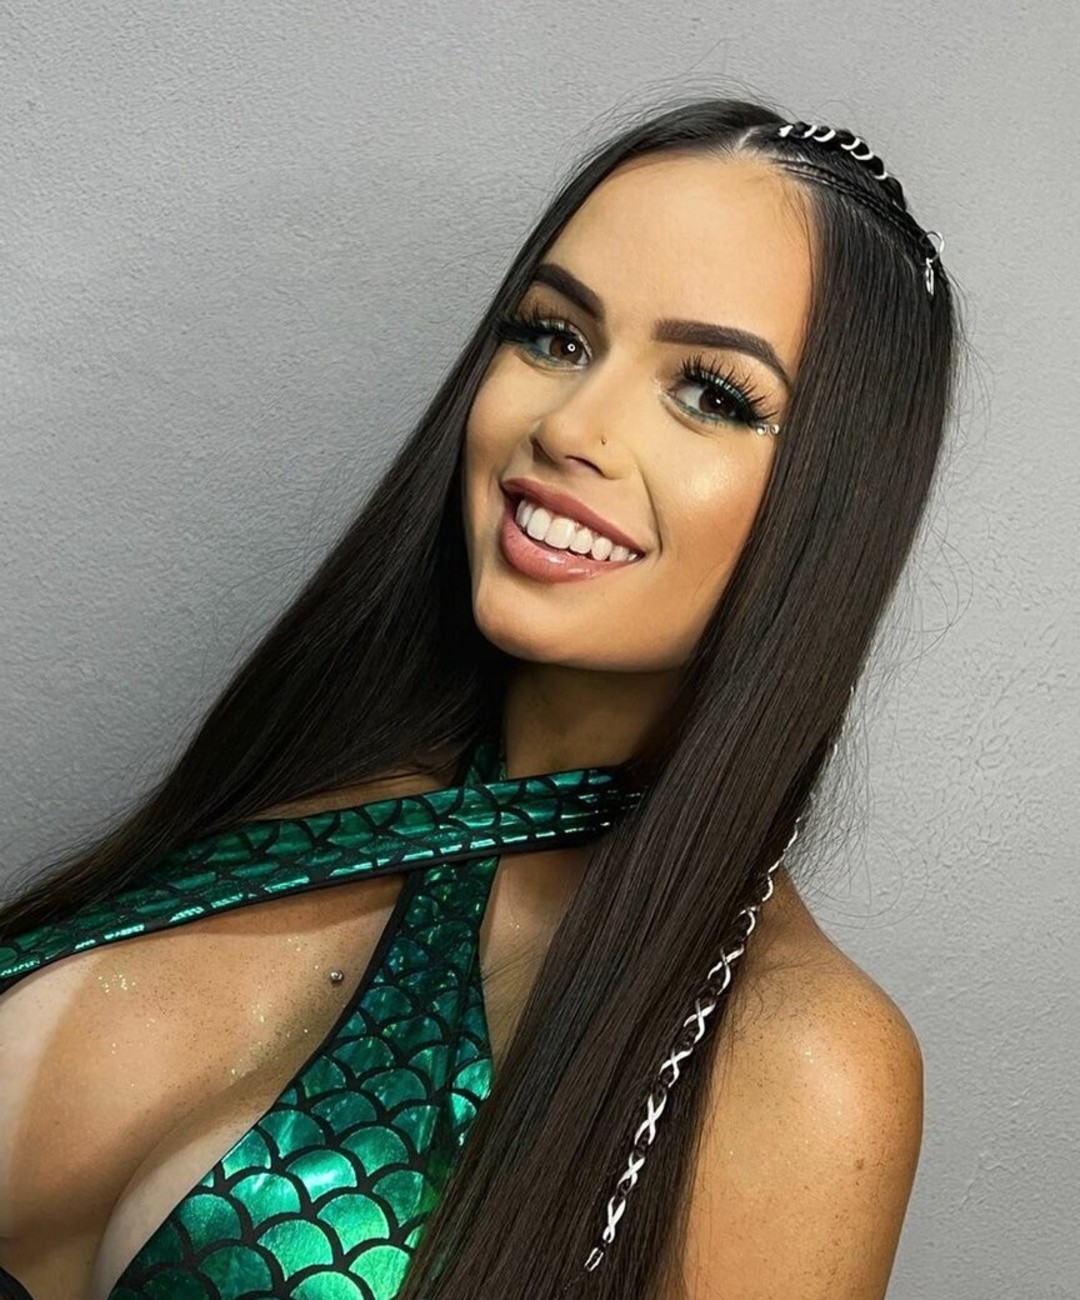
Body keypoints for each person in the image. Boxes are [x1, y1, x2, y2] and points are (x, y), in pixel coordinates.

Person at [0, 96, 960, 1300]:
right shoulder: (299, 780)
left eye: (712, 393)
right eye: (556, 336)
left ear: (835, 506)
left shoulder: (805, 1066)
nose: (571, 426)